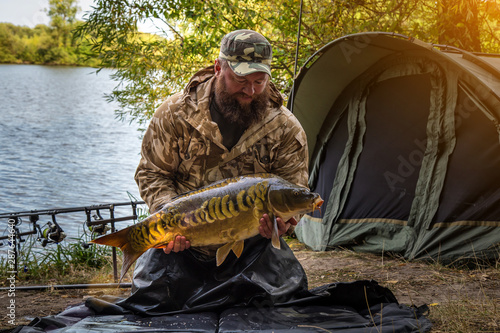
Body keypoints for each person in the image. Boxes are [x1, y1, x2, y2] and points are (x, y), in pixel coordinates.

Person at [120, 29, 310, 315]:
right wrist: (169, 217)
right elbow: (151, 173)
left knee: (283, 305)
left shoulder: (285, 127)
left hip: (251, 244)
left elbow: (294, 188)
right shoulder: (175, 113)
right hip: (183, 242)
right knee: (153, 305)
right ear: (219, 68)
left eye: (259, 81)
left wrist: (288, 222)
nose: (251, 91)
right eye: (241, 80)